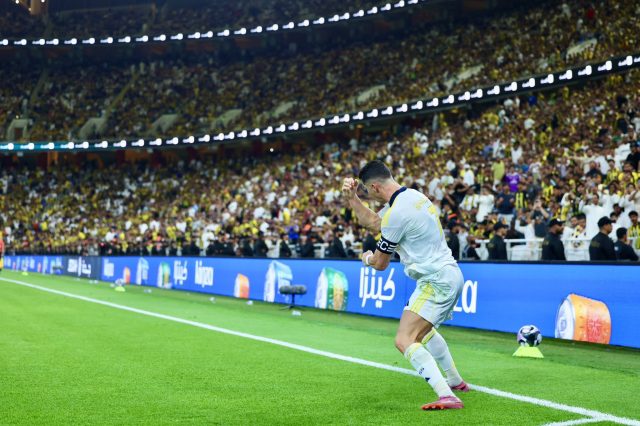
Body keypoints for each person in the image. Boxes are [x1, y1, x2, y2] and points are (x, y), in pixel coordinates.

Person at [342, 160, 467, 411]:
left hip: (435, 280)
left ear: (375, 187)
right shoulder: (412, 196)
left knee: (404, 339)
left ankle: (447, 395)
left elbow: (380, 264)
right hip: (448, 274)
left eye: (366, 191)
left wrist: (366, 258)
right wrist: (353, 199)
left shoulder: (396, 214)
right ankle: (455, 381)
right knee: (425, 332)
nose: (368, 195)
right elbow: (375, 222)